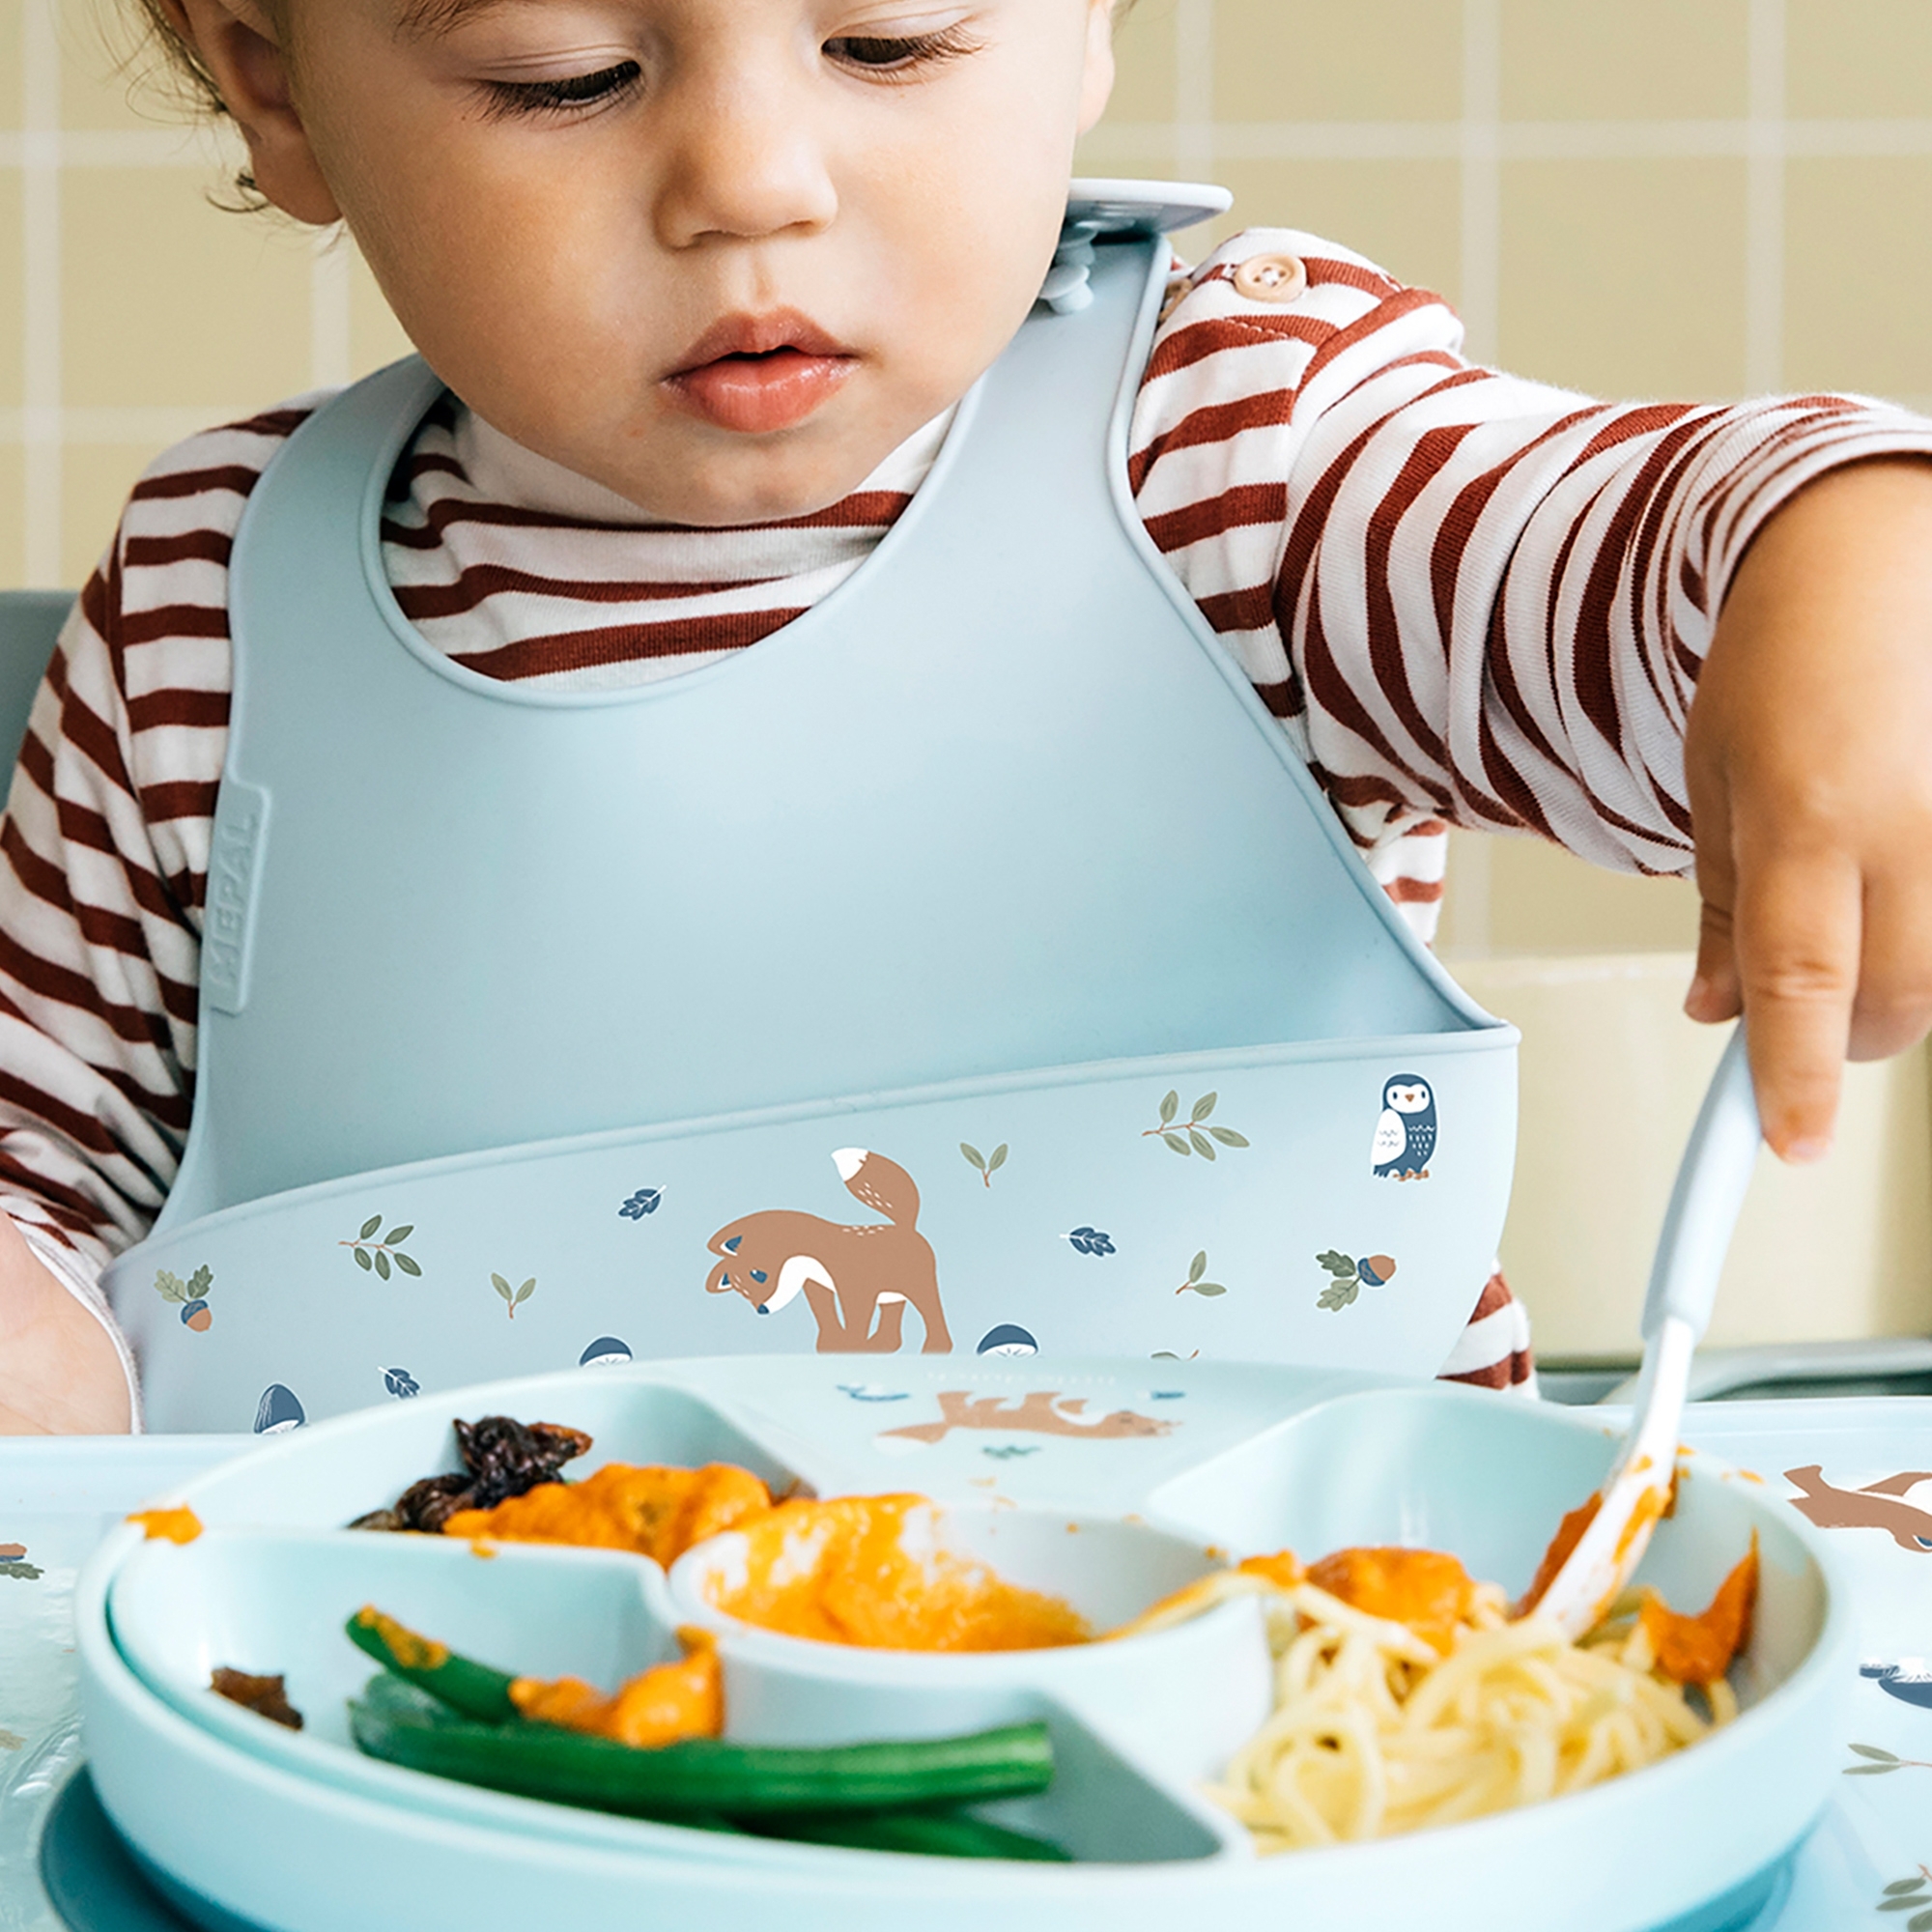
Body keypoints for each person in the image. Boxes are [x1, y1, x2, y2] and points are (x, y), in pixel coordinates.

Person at [5, 0, 1932, 1435]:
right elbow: (42, 1186)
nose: (753, 183)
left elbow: (1638, 566)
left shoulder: (1248, 462)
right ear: (276, 84)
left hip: (1300, 1750)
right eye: (563, 73)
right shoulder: (210, 593)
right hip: (427, 1768)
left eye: (890, 37)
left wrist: (1833, 560)